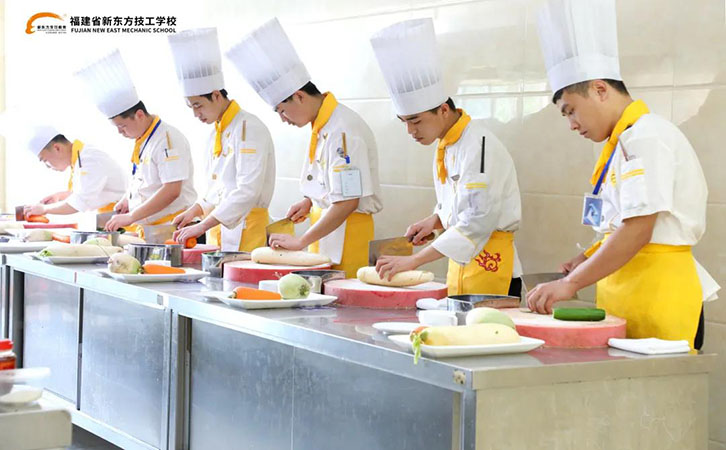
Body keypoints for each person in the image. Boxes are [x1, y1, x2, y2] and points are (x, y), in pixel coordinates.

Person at [526, 0, 719, 349]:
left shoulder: (646, 136)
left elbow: (639, 228)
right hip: (627, 289)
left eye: (571, 111)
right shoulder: (623, 142)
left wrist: (572, 283)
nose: (572, 125)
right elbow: (624, 222)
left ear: (600, 90)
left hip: (657, 292)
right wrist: (587, 258)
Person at [370, 18, 523, 296]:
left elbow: (477, 219)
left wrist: (414, 260)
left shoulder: (478, 145)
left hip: (492, 268)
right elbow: (463, 204)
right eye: (404, 122)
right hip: (464, 265)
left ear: (442, 109)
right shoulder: (447, 145)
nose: (410, 131)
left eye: (416, 121)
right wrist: (436, 220)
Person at [226, 18, 383, 277]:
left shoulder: (343, 131)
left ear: (299, 96)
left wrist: (300, 241)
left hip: (348, 238)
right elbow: (334, 186)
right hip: (326, 233)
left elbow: (348, 201)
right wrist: (310, 201)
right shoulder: (323, 126)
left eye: (282, 110)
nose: (283, 119)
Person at [167, 28, 275, 251]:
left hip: (247, 230)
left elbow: (247, 191)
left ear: (216, 95)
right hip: (217, 231)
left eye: (198, 105)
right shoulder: (215, 133)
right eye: (191, 107)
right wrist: (195, 210)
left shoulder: (249, 128)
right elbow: (217, 191)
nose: (196, 114)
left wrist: (203, 225)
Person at [74, 49, 197, 238]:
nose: (120, 132)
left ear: (139, 115)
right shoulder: (143, 139)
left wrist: (132, 216)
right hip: (150, 228)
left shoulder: (167, 139)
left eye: (122, 126)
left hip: (171, 228)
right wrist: (128, 199)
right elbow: (145, 181)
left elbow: (172, 190)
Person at [22, 125, 126, 217]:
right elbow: (82, 192)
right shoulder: (79, 159)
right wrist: (59, 197)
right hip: (112, 220)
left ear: (57, 148)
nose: (47, 167)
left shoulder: (89, 159)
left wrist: (45, 209)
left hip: (125, 223)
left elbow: (80, 202)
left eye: (45, 160)